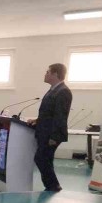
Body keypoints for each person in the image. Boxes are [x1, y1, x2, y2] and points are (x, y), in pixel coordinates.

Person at [28, 63, 73, 192]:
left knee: (41, 158)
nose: (45, 74)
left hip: (52, 134)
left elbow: (60, 116)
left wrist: (55, 137)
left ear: (55, 74)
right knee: (45, 159)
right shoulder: (53, 90)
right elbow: (49, 113)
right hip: (44, 131)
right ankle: (51, 186)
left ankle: (54, 186)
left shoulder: (63, 91)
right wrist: (37, 120)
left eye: (47, 72)